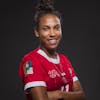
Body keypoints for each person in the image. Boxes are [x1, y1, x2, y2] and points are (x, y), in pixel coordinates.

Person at [19, 0, 86, 100]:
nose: (52, 33)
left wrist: (59, 94)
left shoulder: (64, 60)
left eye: (56, 28)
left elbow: (81, 96)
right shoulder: (30, 61)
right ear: (37, 32)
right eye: (46, 28)